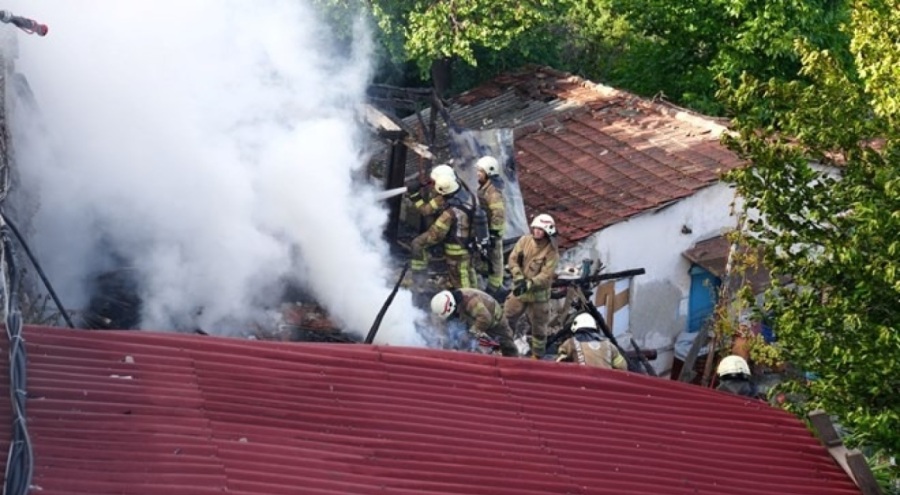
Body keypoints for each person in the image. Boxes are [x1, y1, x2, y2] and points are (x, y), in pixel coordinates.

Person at [504, 213, 560, 358]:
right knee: (507, 318)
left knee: (539, 328)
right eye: (536, 228)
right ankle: (505, 349)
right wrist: (518, 276)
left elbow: (546, 275)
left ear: (547, 232)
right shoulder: (524, 241)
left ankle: (537, 356)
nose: (537, 232)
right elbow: (512, 259)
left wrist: (530, 283)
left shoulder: (551, 251)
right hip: (520, 291)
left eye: (541, 230)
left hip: (538, 296)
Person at [409, 173, 478, 289]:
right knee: (468, 272)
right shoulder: (469, 196)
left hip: (456, 251)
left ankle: (466, 297)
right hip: (470, 245)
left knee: (459, 279)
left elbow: (435, 235)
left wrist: (422, 241)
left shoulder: (449, 214)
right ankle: (477, 294)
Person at [431, 289, 519, 357]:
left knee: (507, 346)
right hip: (473, 318)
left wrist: (471, 333)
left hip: (494, 320)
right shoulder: (453, 301)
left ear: (451, 306)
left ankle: (514, 366)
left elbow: (485, 319)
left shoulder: (471, 302)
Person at [474, 156, 506, 297]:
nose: (478, 174)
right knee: (487, 257)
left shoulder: (493, 193)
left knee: (496, 259)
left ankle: (495, 288)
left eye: (481, 171)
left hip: (493, 232)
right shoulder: (485, 187)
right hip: (486, 229)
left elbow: (498, 214)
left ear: (489, 172)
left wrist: (493, 234)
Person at [556, 313, 627, 370]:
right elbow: (622, 367)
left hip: (582, 381)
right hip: (605, 381)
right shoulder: (609, 344)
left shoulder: (570, 343)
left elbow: (559, 365)